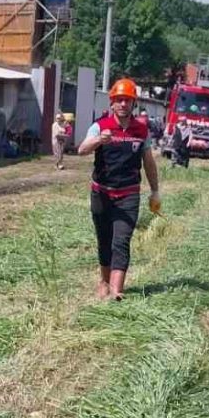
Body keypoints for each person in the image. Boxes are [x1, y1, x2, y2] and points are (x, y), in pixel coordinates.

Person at [77, 78, 161, 302]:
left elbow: (149, 163)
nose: (123, 104)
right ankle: (104, 282)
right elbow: (81, 150)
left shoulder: (141, 130)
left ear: (133, 103)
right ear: (112, 102)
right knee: (104, 240)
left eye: (128, 100)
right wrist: (98, 141)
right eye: (119, 100)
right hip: (102, 193)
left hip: (129, 194)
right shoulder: (100, 126)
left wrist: (155, 191)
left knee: (121, 241)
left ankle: (116, 291)